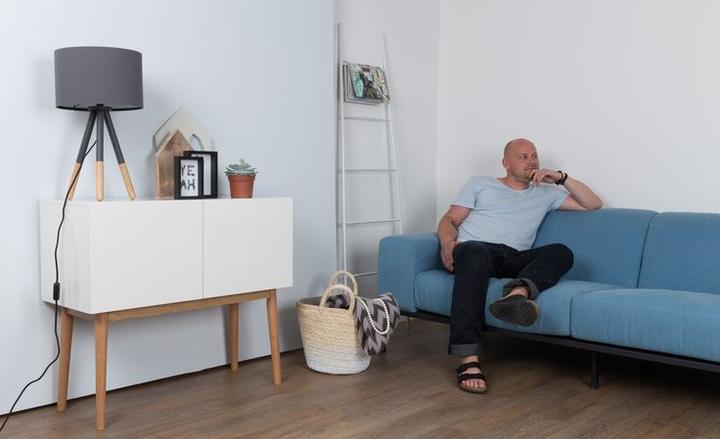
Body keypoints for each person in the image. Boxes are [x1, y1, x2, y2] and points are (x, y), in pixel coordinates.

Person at [436, 138, 602, 394]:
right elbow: (450, 219)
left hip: (513, 256)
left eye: (534, 156)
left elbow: (593, 204)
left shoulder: (546, 193)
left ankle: (517, 294)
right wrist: (447, 243)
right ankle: (468, 359)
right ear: (506, 163)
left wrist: (560, 177)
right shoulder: (480, 184)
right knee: (475, 251)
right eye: (523, 157)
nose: (532, 161)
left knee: (561, 252)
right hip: (474, 250)